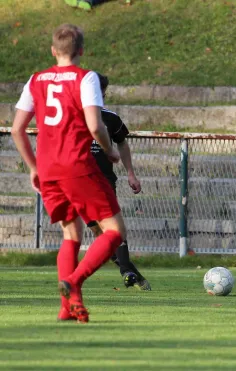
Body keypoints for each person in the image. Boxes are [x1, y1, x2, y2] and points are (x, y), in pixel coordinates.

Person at [11, 24, 126, 323]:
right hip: (76, 165)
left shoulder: (36, 80)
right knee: (114, 231)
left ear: (53, 50)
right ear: (81, 51)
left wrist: (34, 167)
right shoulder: (85, 78)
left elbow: (16, 129)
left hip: (48, 168)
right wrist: (110, 150)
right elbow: (94, 125)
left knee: (70, 234)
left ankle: (67, 306)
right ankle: (74, 280)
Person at [86, 73, 150, 291]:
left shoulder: (110, 118)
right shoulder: (74, 115)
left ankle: (128, 272)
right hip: (78, 181)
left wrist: (130, 172)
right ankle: (130, 271)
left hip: (103, 180)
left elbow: (122, 143)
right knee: (100, 232)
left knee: (111, 230)